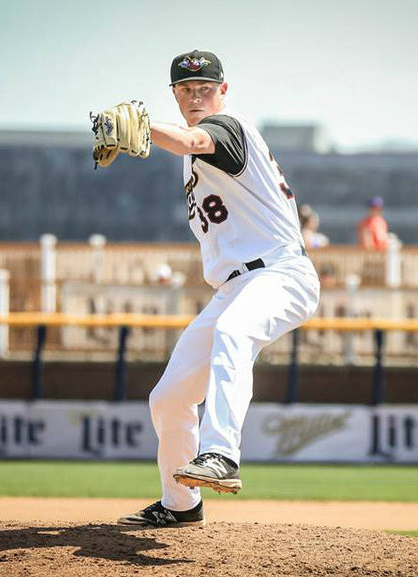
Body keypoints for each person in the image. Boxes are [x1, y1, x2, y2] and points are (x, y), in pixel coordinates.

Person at [118, 50, 320, 528]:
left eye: (205, 87)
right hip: (236, 286)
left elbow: (191, 137)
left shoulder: (229, 126)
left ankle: (221, 455)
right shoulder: (190, 160)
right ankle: (181, 505)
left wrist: (144, 129)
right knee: (167, 399)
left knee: (233, 332)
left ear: (222, 91)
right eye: (186, 90)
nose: (196, 96)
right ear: (174, 94)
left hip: (281, 273)